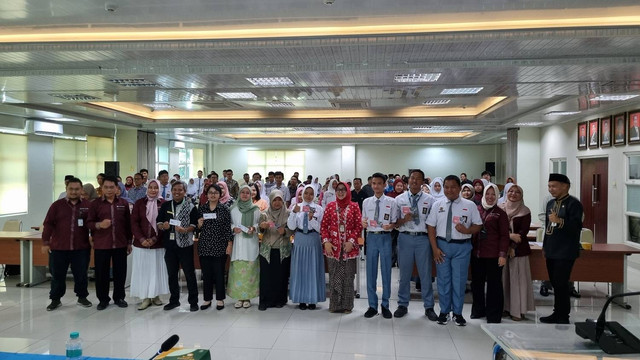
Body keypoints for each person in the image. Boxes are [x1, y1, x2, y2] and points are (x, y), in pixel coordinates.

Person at [427, 175, 483, 326]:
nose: (449, 190)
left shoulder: (469, 205)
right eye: (446, 187)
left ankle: (458, 313)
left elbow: (478, 225)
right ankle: (444, 311)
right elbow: (431, 227)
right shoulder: (437, 205)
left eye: (453, 187)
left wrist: (467, 230)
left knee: (459, 281)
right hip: (442, 246)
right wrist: (435, 249)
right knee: (443, 281)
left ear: (459, 188)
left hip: (462, 247)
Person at [393, 169, 438, 320]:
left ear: (422, 182)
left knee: (425, 274)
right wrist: (403, 220)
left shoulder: (430, 200)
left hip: (422, 239)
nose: (414, 181)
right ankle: (402, 304)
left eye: (418, 179)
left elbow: (433, 224)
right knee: (404, 274)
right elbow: (394, 223)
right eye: (412, 178)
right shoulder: (399, 199)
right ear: (408, 180)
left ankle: (429, 307)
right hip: (404, 238)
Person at [42, 177, 92, 311]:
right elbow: (48, 224)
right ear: (66, 189)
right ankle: (55, 299)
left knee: (81, 274)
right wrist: (46, 242)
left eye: (77, 189)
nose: (74, 192)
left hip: (80, 248)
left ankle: (82, 297)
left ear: (81, 190)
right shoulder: (56, 206)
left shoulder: (87, 205)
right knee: (57, 275)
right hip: (59, 248)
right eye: (71, 189)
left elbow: (92, 224)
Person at [540, 173, 583, 324]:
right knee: (554, 282)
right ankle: (557, 312)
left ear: (565, 186)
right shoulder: (550, 204)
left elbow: (577, 227)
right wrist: (545, 246)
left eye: (554, 186)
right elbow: (547, 228)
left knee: (561, 283)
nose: (551, 189)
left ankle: (563, 315)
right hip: (551, 249)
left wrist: (559, 221)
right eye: (549, 186)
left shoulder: (573, 204)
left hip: (565, 251)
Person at [87, 176, 132, 311]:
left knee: (120, 273)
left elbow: (128, 225)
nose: (109, 190)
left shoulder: (123, 203)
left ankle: (119, 297)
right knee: (101, 274)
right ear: (102, 188)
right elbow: (89, 223)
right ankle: (103, 299)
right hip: (102, 244)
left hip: (120, 244)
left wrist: (129, 242)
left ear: (117, 188)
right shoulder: (95, 204)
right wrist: (100, 225)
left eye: (112, 187)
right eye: (106, 187)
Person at [157, 181, 200, 312]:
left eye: (180, 190)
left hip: (185, 245)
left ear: (184, 191)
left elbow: (194, 225)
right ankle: (174, 300)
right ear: (171, 190)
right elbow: (159, 222)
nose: (177, 192)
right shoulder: (165, 205)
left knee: (189, 274)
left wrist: (186, 230)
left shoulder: (191, 206)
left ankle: (193, 302)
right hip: (170, 245)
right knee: (172, 274)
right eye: (174, 189)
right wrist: (162, 226)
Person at [320, 182, 362, 314]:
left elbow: (358, 226)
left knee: (348, 277)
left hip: (350, 248)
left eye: (344, 190)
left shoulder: (354, 206)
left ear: (348, 191)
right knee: (334, 276)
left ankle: (347, 305)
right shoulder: (330, 206)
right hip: (333, 248)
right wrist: (326, 242)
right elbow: (323, 226)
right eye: (338, 190)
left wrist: (351, 241)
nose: (341, 192)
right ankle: (334, 305)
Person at [470, 183, 509, 323]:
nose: (490, 197)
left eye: (493, 194)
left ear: (497, 196)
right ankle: (478, 310)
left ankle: (493, 315)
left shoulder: (500, 213)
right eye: (488, 193)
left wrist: (502, 254)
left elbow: (505, 235)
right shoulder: (477, 209)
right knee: (477, 284)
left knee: (494, 286)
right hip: (477, 254)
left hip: (494, 255)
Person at [361, 173, 397, 318]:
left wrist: (391, 226)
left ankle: (385, 305)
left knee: (386, 272)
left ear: (385, 185)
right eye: (374, 183)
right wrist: (363, 223)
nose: (376, 186)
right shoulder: (366, 202)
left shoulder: (391, 202)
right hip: (371, 237)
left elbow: (394, 222)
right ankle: (372, 305)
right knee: (371, 272)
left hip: (385, 237)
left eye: (379, 183)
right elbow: (364, 219)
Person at [130, 179, 169, 310]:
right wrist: (141, 239)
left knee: (156, 271)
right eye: (151, 187)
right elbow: (134, 223)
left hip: (158, 245)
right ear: (147, 188)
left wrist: (154, 239)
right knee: (144, 271)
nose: (153, 190)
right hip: (141, 245)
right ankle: (145, 297)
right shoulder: (139, 203)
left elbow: (166, 224)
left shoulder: (164, 204)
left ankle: (156, 296)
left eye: (155, 188)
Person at [498, 184, 535, 321]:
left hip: (518, 250)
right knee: (504, 280)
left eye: (517, 192)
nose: (513, 194)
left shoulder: (525, 211)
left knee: (518, 280)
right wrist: (508, 239)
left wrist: (512, 246)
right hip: (501, 249)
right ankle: (505, 308)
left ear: (521, 195)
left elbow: (522, 233)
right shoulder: (500, 208)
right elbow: (497, 230)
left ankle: (518, 311)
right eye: (511, 191)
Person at [287, 184, 326, 310]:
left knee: (312, 269)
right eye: (306, 193)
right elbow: (291, 227)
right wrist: (293, 213)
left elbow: (321, 229)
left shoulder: (319, 209)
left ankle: (312, 299)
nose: (308, 196)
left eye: (311, 193)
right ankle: (301, 299)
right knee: (300, 269)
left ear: (314, 195)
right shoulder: (296, 207)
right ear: (302, 194)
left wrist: (311, 219)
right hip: (300, 239)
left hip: (313, 240)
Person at [196, 183, 233, 311]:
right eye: (210, 192)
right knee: (206, 274)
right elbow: (196, 229)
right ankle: (207, 299)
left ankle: (220, 299)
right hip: (205, 245)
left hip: (219, 246)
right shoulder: (202, 209)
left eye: (215, 193)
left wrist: (229, 244)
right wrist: (199, 225)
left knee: (219, 274)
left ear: (220, 195)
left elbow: (228, 228)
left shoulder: (224, 209)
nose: (213, 195)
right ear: (206, 194)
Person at [258, 189, 293, 310]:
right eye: (274, 200)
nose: (277, 203)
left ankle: (280, 300)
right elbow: (259, 229)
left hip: (282, 249)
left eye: (279, 200)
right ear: (271, 201)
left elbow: (293, 229)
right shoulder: (264, 214)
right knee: (266, 276)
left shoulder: (288, 214)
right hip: (267, 249)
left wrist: (285, 231)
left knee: (281, 276)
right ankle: (264, 301)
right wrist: (262, 227)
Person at [228, 185, 261, 308]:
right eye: (243, 192)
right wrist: (233, 228)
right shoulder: (233, 209)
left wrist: (254, 228)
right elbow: (229, 224)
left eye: (248, 193)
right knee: (238, 271)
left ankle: (247, 297)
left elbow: (259, 225)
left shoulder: (255, 209)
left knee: (250, 271)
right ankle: (239, 297)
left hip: (250, 243)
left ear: (251, 195)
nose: (245, 195)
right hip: (238, 243)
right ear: (239, 194)